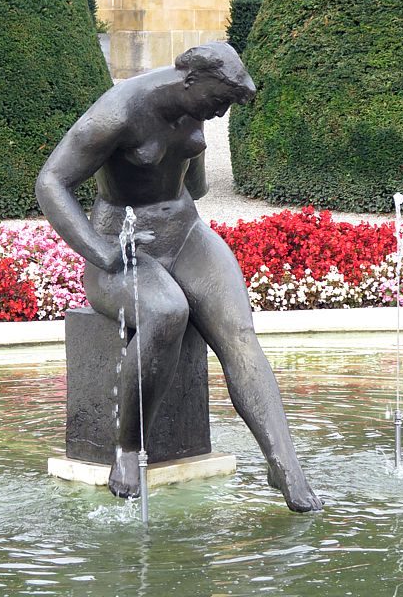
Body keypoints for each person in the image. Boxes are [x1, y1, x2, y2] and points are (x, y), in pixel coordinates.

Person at [36, 42, 322, 512]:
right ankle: (129, 449)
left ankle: (284, 464)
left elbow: (197, 186)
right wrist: (101, 250)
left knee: (239, 331)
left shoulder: (196, 110)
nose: (220, 112)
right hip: (126, 245)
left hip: (186, 232)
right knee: (168, 311)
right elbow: (51, 181)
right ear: (189, 82)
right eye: (217, 101)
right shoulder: (120, 111)